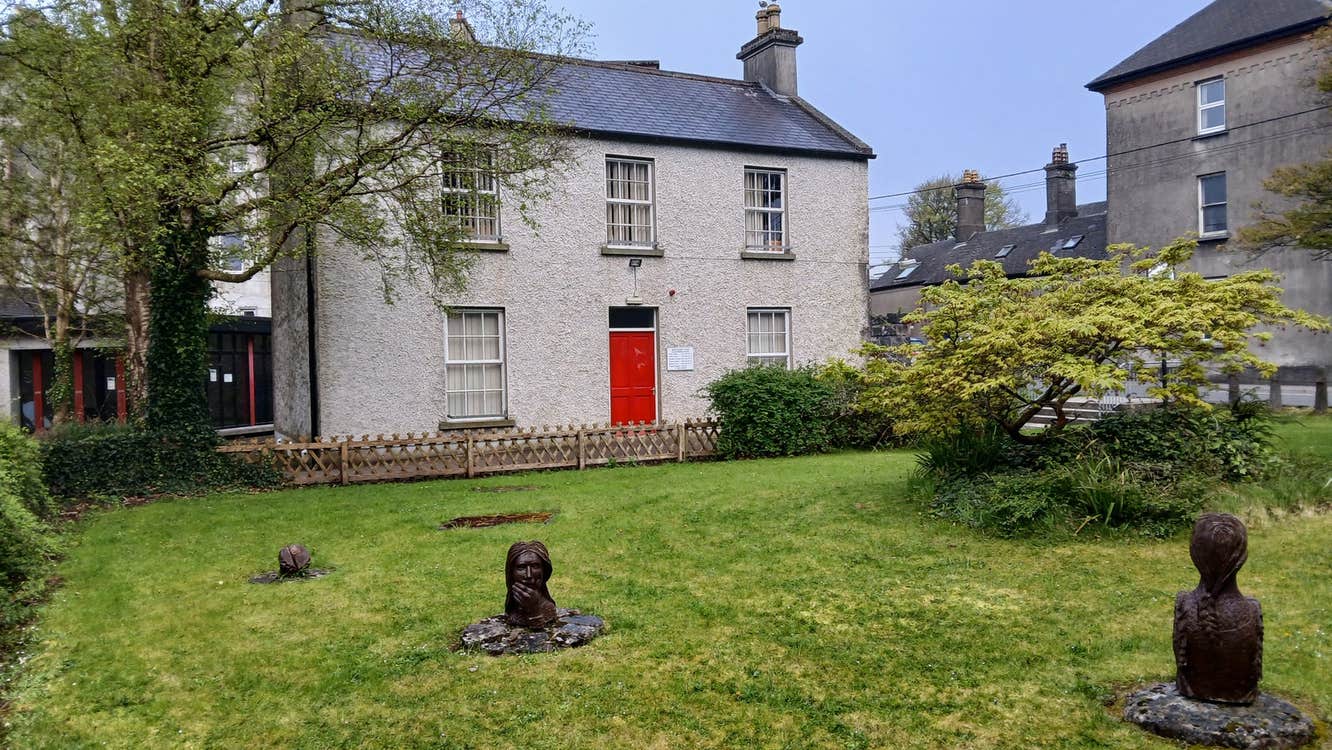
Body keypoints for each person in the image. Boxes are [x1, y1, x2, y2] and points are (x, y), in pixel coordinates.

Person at [1173, 513, 1263, 705]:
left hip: (1193, 690)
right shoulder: (1253, 610)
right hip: (1240, 696)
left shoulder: (1184, 605)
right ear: (1242, 558)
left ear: (1195, 555)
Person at [504, 541, 558, 628]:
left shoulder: (548, 608)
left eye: (535, 566)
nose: (529, 575)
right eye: (521, 567)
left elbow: (538, 630)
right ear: (511, 572)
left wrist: (534, 611)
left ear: (544, 570)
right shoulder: (513, 611)